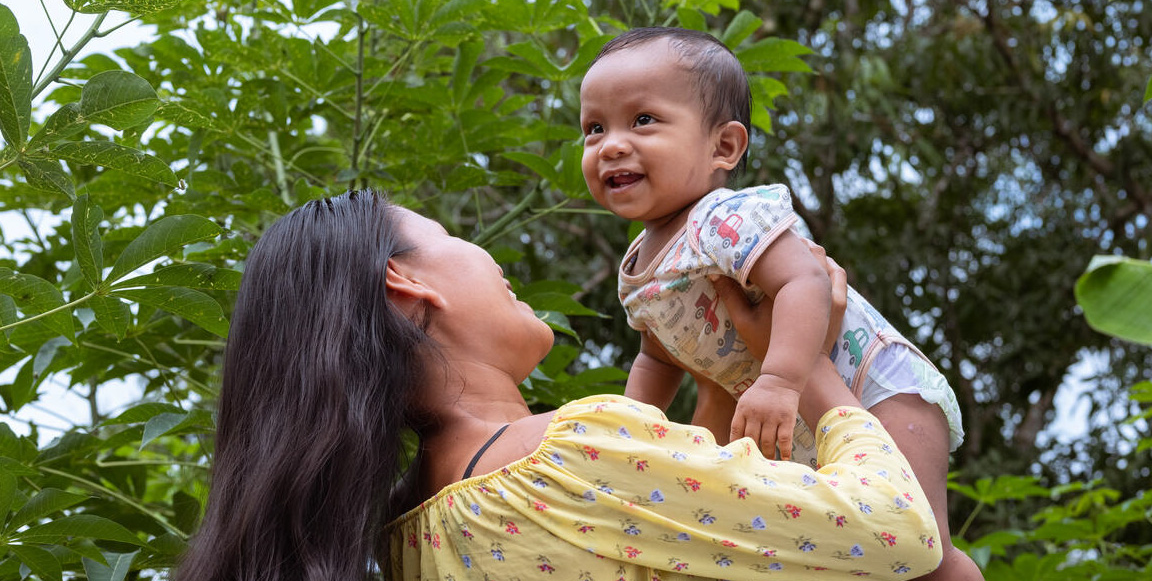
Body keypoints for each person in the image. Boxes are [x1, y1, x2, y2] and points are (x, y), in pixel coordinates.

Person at [176, 190, 942, 581]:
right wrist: (806, 369)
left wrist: (719, 379)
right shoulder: (577, 450)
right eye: (448, 235)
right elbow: (896, 535)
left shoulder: (405, 536)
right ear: (406, 283)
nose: (485, 255)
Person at [579, 27, 981, 580]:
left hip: (875, 383)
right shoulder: (637, 265)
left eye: (643, 120)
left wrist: (782, 380)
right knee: (858, 557)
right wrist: (634, 435)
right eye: (594, 128)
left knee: (923, 546)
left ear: (724, 147)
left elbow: (806, 283)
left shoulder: (725, 218)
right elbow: (657, 358)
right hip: (785, 416)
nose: (612, 144)